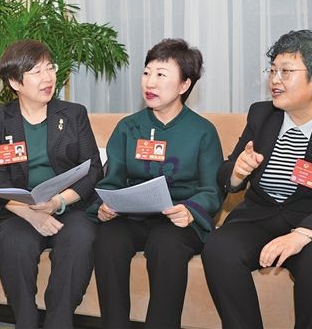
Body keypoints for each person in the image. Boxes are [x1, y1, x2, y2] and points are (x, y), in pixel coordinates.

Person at [201, 30, 312, 329]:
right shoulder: (261, 115)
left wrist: (301, 235)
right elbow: (227, 174)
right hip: (260, 218)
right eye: (272, 71)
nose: (274, 80)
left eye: (286, 71)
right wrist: (238, 172)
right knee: (219, 247)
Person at [90, 38, 223, 328]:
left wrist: (189, 211)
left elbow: (212, 190)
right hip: (132, 216)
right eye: (147, 72)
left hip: (178, 219)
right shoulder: (128, 127)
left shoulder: (202, 131)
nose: (150, 82)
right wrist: (105, 205)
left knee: (166, 244)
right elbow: (112, 179)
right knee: (108, 240)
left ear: (184, 85)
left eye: (161, 75)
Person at [0, 39, 103, 329]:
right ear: (15, 82)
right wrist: (30, 213)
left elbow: (93, 169)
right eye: (36, 72)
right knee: (16, 245)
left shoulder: (73, 114)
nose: (48, 77)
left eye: (50, 68)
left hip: (69, 207)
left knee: (79, 239)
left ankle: (58, 322)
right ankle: (25, 321)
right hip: (19, 211)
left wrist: (58, 202)